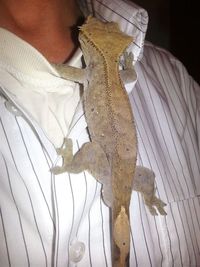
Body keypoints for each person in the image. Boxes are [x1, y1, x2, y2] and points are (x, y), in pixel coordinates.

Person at [0, 0, 200, 266]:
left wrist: (53, 70)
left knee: (96, 155)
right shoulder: (116, 75)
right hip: (129, 178)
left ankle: (72, 165)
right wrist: (127, 64)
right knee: (143, 179)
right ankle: (148, 197)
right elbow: (128, 75)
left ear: (88, 46)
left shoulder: (93, 75)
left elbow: (61, 71)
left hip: (117, 177)